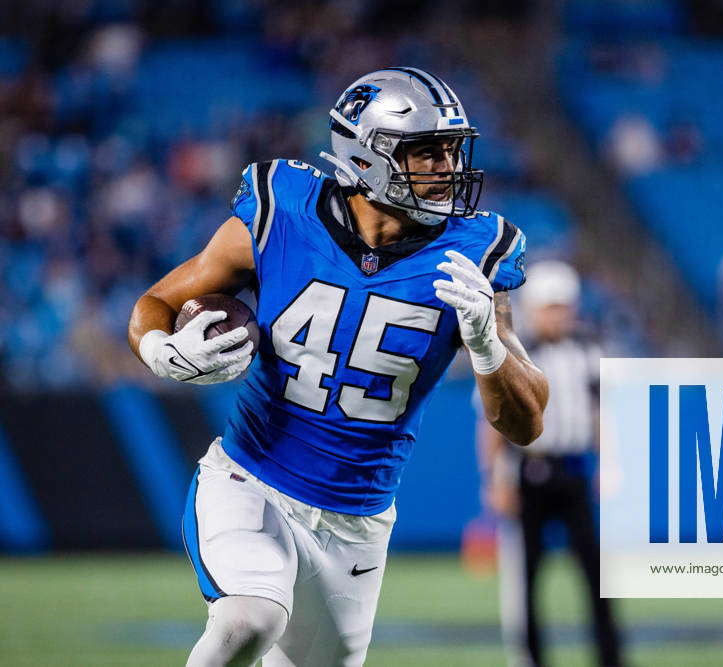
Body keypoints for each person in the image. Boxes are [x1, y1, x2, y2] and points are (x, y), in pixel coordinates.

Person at [127, 68, 548, 666]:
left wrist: (488, 344)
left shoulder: (477, 252)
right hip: (252, 481)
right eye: (427, 151)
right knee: (250, 616)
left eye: (452, 149)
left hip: (357, 521)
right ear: (368, 156)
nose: (448, 167)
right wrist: (158, 350)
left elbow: (527, 424)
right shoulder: (284, 211)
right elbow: (155, 305)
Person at [478, 260, 623, 667]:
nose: (559, 315)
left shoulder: (588, 349)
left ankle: (611, 658)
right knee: (526, 581)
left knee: (598, 579)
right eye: (550, 307)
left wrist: (609, 463)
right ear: (534, 308)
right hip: (531, 473)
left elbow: (600, 413)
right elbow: (491, 422)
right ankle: (531, 660)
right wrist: (495, 479)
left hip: (575, 471)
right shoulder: (513, 352)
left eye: (564, 306)